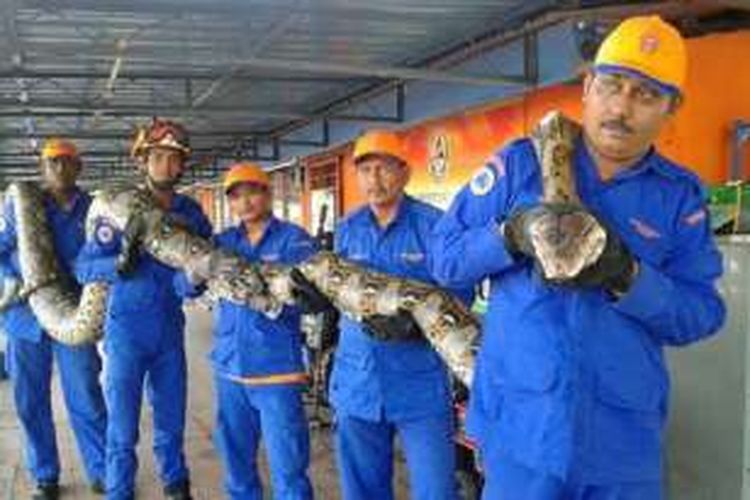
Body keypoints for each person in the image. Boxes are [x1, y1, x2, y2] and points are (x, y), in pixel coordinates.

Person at [431, 16, 726, 499]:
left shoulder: (679, 197)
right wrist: (509, 235)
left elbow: (700, 314)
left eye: (646, 95)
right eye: (612, 86)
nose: (622, 108)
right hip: (521, 435)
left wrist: (629, 277)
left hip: (622, 447)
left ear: (671, 109)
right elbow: (444, 258)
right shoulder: (519, 165)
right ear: (588, 87)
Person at [308, 129, 471, 500]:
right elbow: (336, 290)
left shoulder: (434, 226)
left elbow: (461, 293)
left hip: (419, 386)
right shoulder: (347, 228)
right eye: (366, 170)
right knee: (362, 490)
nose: (374, 179)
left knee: (436, 490)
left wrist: (415, 326)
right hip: (356, 382)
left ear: (405, 173)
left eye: (384, 168)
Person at [75, 119, 214, 500]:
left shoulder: (193, 213)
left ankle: (176, 485)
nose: (166, 165)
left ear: (183, 165)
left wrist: (193, 279)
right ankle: (119, 491)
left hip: (169, 329)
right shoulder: (117, 209)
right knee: (122, 428)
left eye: (174, 159)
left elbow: (195, 275)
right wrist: (118, 264)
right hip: (125, 334)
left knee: (171, 420)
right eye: (158, 157)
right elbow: (83, 267)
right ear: (143, 161)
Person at [0, 139, 107, 499]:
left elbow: (107, 254)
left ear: (79, 167)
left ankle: (100, 470)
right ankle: (45, 476)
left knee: (86, 396)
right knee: (31, 402)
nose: (59, 168)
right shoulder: (25, 207)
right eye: (52, 163)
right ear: (43, 168)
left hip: (72, 314)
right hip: (25, 320)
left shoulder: (93, 209)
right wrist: (15, 275)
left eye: (66, 162)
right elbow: (1, 248)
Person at [209, 162, 318, 499]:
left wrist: (275, 306)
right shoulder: (221, 242)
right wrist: (195, 271)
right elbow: (183, 288)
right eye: (237, 196)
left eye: (252, 192)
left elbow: (315, 299)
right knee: (237, 467)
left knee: (289, 469)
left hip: (276, 373)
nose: (245, 202)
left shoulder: (295, 240)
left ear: (268, 194)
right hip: (230, 369)